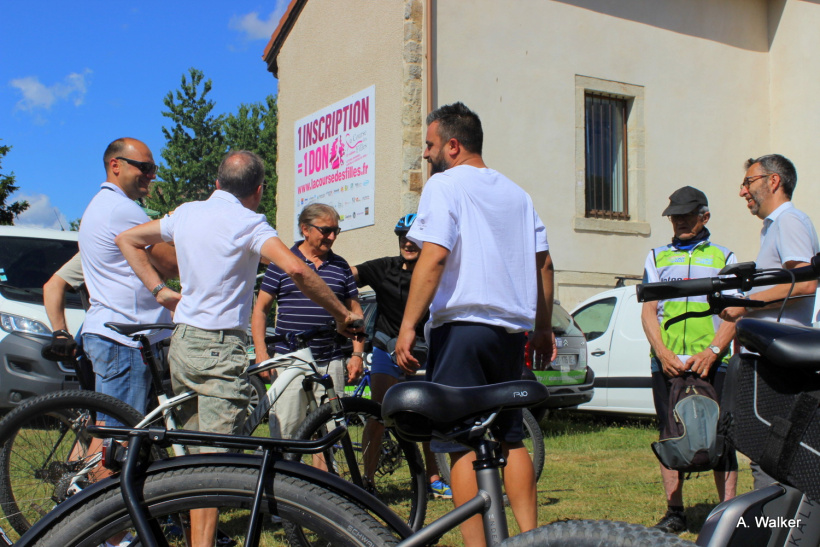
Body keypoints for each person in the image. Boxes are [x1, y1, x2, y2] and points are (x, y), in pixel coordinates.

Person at [117, 150, 363, 547]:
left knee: (200, 457)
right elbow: (297, 268)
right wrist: (339, 314)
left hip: (183, 342)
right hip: (218, 346)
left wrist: (161, 292)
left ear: (217, 183)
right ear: (259, 191)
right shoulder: (250, 223)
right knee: (215, 464)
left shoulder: (186, 213)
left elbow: (127, 239)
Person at [394, 102, 555, 546]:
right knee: (511, 437)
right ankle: (530, 538)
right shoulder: (517, 193)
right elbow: (544, 264)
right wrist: (542, 326)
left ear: (452, 144)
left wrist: (409, 324)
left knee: (459, 442)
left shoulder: (446, 185)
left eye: (429, 145)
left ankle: (476, 544)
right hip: (509, 333)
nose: (425, 155)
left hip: (462, 329)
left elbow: (435, 254)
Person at [640, 186, 739, 534]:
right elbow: (649, 311)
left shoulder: (724, 258)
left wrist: (712, 351)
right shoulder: (656, 257)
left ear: (704, 216)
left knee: (721, 437)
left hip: (711, 362)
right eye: (674, 216)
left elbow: (734, 312)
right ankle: (674, 511)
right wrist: (662, 353)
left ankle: (727, 512)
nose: (679, 221)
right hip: (668, 364)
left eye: (686, 214)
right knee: (671, 435)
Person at [720, 154, 820, 489]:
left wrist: (743, 305)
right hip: (774, 360)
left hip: (782, 364)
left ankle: (777, 530)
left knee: (773, 456)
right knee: (767, 454)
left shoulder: (789, 221)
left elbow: (804, 283)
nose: (742, 192)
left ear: (773, 181)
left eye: (748, 182)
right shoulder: (775, 226)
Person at [353, 213, 452, 499]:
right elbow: (347, 274)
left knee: (427, 415)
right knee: (379, 412)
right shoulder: (385, 268)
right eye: (402, 237)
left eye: (414, 238)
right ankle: (367, 480)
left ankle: (433, 478)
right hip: (386, 346)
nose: (408, 243)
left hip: (424, 350)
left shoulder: (436, 270)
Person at [78, 138, 178, 417]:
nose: (152, 175)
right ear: (116, 165)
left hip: (115, 334)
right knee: (120, 443)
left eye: (153, 167)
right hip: (125, 339)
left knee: (113, 436)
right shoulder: (122, 209)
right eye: (145, 167)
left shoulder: (104, 205)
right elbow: (171, 264)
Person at [251, 203, 365, 443]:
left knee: (330, 433)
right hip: (290, 360)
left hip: (330, 360)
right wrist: (261, 352)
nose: (332, 237)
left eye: (336, 230)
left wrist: (357, 355)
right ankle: (283, 476)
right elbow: (261, 310)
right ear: (305, 229)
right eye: (325, 230)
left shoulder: (341, 266)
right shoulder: (284, 262)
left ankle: (324, 479)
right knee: (286, 433)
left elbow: (355, 312)